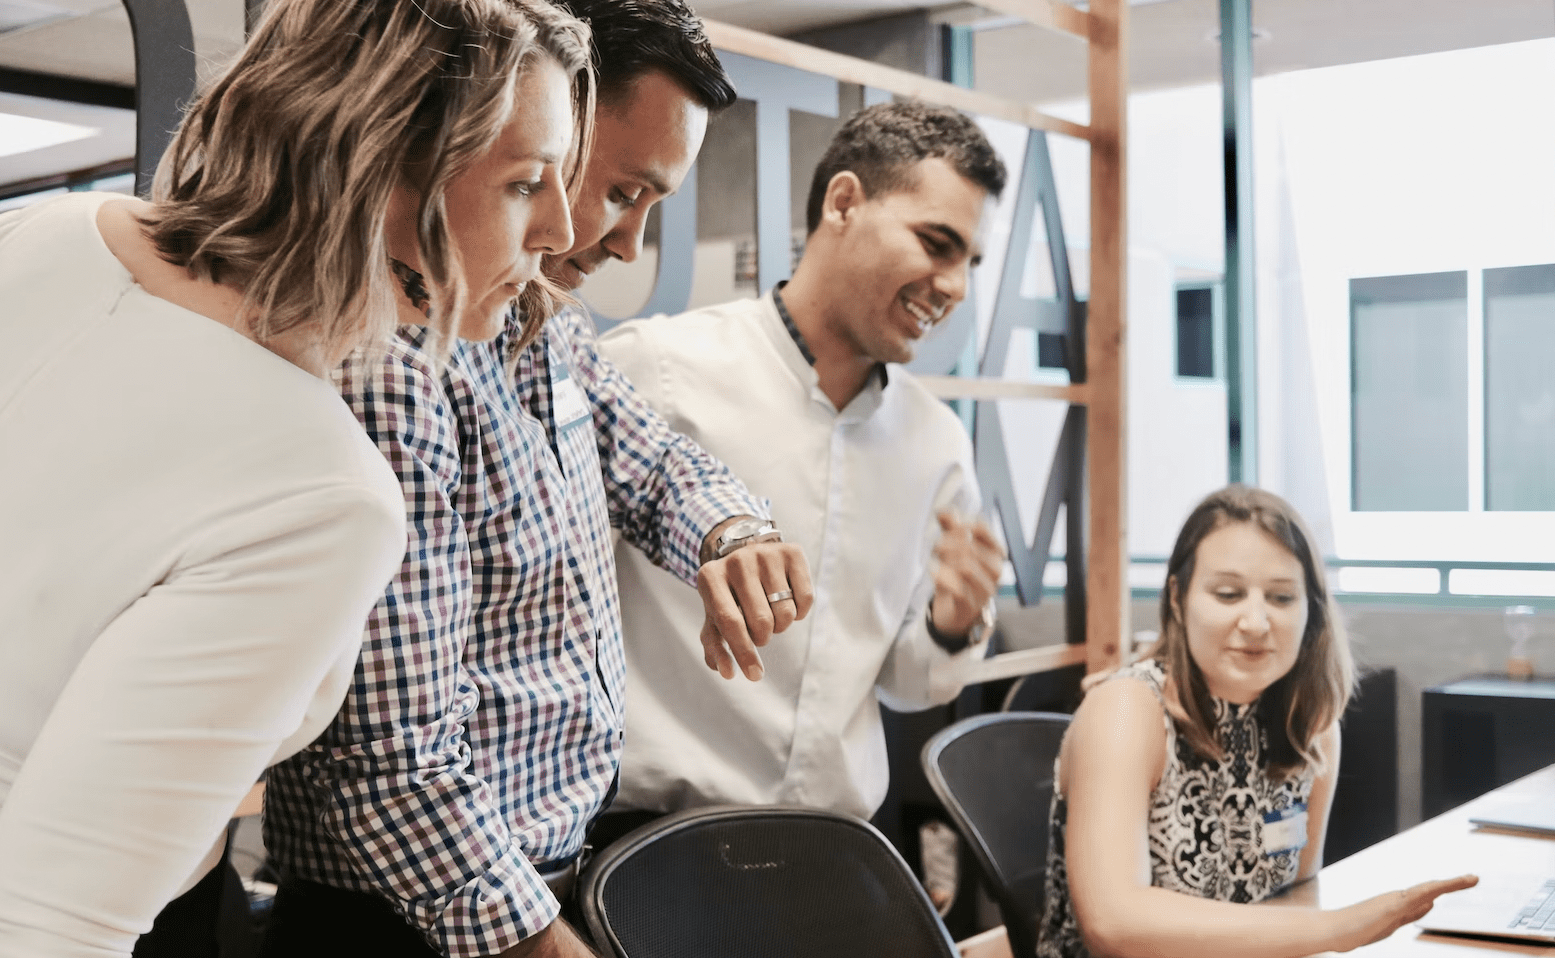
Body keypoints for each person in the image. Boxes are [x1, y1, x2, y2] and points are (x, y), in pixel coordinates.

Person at [0, 0, 591, 955]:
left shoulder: (49, 234)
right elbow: (48, 925)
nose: (561, 229)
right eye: (529, 182)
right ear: (379, 162)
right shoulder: (322, 497)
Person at [259, 4, 809, 957]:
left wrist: (733, 535)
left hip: (537, 882)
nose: (624, 241)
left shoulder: (543, 324)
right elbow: (394, 760)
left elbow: (657, 462)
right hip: (416, 921)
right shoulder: (389, 365)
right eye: (623, 191)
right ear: (541, 123)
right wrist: (536, 938)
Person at [595, 101, 1009, 828]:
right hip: (650, 842)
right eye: (935, 243)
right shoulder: (655, 371)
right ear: (843, 201)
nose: (955, 288)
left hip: (833, 852)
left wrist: (952, 623)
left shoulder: (935, 441)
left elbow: (910, 683)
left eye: (969, 263)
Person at [1037, 485, 1478, 958]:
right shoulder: (1127, 710)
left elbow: (1294, 899)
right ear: (1179, 599)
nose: (1255, 622)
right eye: (1228, 594)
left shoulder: (1311, 724)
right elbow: (1112, 922)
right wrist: (1343, 928)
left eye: (1282, 598)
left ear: (1312, 612)